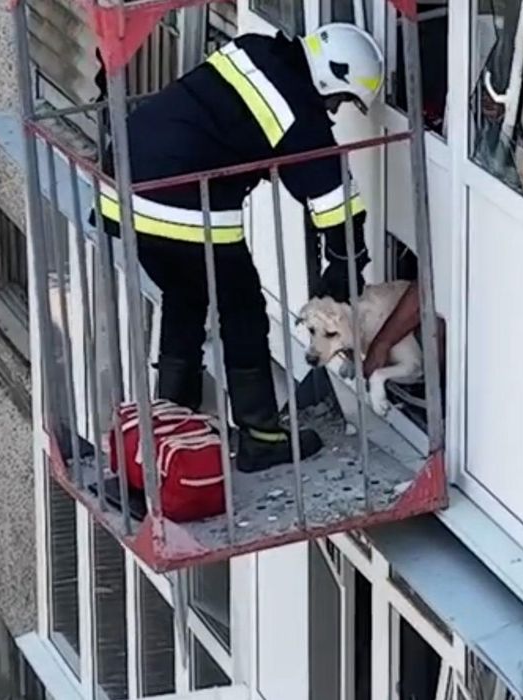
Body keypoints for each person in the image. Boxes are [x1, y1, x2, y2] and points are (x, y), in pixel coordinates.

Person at [95, 24, 384, 473]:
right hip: (179, 201)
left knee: (186, 295)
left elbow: (246, 133)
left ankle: (174, 423)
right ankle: (262, 438)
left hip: (122, 183)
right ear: (328, 79)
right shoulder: (297, 107)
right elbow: (334, 200)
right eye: (340, 100)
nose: (334, 110)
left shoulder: (253, 49)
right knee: (244, 308)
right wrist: (346, 266)